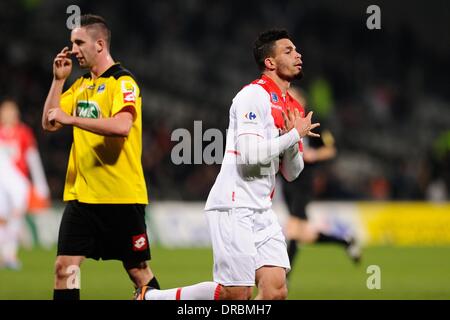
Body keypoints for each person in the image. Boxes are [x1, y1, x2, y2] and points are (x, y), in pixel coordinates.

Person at [135, 29, 319, 300]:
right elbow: (247, 156)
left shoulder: (293, 106)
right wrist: (293, 135)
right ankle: (150, 298)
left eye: (297, 50)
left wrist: (292, 141)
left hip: (262, 209)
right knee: (235, 294)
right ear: (270, 62)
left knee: (276, 290)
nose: (298, 54)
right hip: (235, 205)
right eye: (289, 51)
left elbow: (293, 173)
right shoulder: (252, 97)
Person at [41, 14, 159, 300]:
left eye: (79, 42)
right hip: (83, 197)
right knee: (64, 267)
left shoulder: (123, 82)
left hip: (120, 196)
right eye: (71, 43)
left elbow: (121, 126)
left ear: (100, 44)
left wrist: (72, 119)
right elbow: (50, 122)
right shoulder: (80, 85)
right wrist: (58, 82)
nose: (73, 49)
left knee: (138, 271)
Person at [281, 87, 361, 280]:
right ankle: (345, 241)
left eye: (294, 97)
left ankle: (283, 280)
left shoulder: (314, 123)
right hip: (286, 181)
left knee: (292, 227)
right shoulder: (282, 119)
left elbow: (331, 150)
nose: (290, 99)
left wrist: (313, 154)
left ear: (303, 101)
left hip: (304, 182)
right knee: (304, 233)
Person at [0, 98, 50, 270]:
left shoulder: (23, 132)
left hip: (19, 182)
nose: (8, 114)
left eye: (11, 111)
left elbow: (32, 158)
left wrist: (40, 184)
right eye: (5, 111)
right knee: (2, 219)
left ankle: (10, 254)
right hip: (1, 184)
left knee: (15, 217)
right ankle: (3, 254)